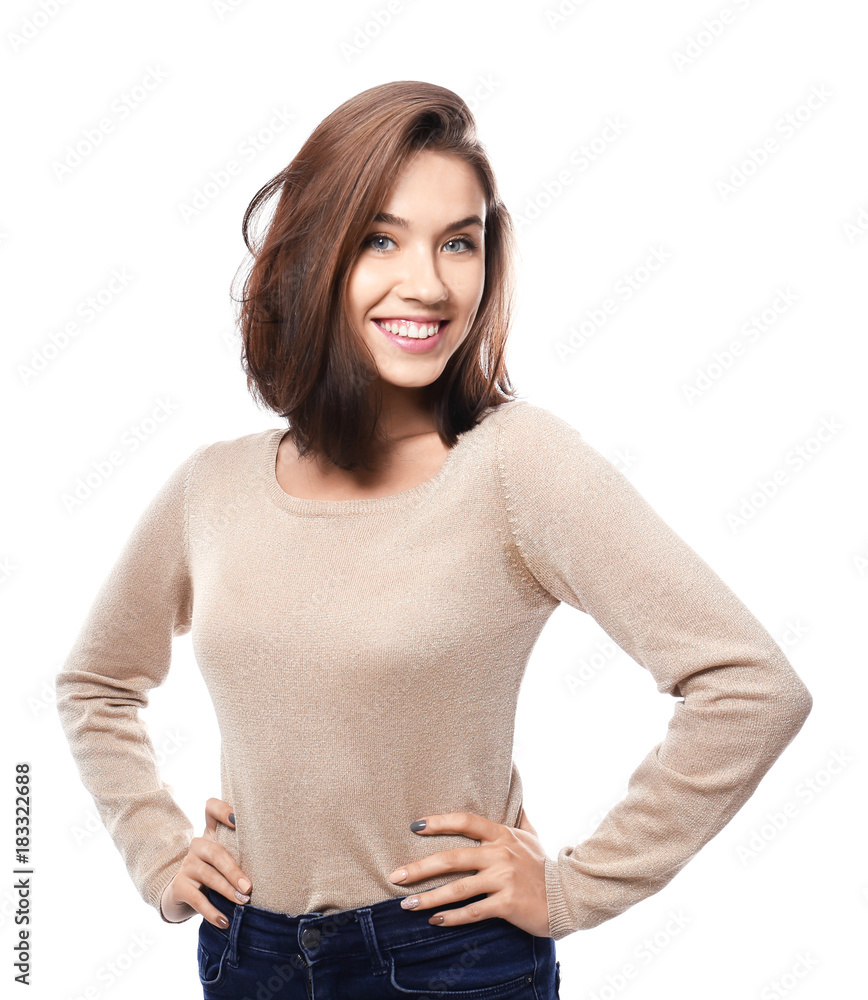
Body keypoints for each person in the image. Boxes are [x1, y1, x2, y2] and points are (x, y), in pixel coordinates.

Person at [55, 80, 813, 999]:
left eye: (460, 242)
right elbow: (95, 683)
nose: (430, 281)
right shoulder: (211, 485)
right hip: (247, 956)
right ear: (313, 254)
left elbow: (749, 686)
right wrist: (155, 851)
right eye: (382, 238)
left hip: (445, 962)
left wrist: (576, 886)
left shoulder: (516, 465)